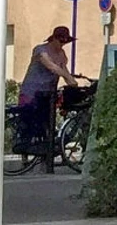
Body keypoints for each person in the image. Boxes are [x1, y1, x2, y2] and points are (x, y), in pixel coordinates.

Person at [17, 26, 84, 172]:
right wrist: (67, 77)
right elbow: (52, 67)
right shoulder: (41, 50)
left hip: (48, 93)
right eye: (60, 41)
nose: (62, 44)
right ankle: (24, 154)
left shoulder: (62, 54)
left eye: (65, 42)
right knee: (28, 121)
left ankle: (45, 160)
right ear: (53, 39)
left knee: (47, 124)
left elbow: (63, 69)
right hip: (32, 91)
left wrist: (72, 83)